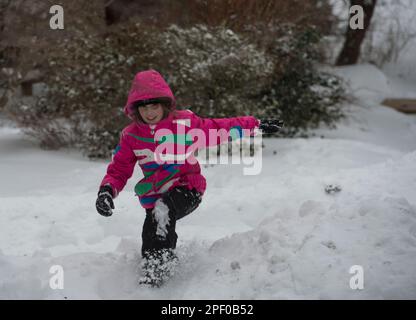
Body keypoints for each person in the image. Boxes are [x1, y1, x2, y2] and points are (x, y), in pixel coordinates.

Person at [95, 69, 282, 287]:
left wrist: (254, 125)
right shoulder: (131, 136)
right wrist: (107, 191)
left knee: (162, 210)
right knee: (151, 230)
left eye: (154, 105)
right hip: (155, 195)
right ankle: (153, 269)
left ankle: (159, 270)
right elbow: (119, 168)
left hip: (188, 188)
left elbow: (218, 128)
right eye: (144, 107)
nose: (150, 112)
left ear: (165, 104)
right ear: (136, 110)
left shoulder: (184, 125)